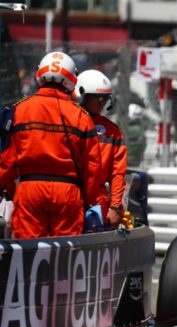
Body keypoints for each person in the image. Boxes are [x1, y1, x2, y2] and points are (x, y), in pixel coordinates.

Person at [0, 51, 104, 239]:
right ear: (72, 78)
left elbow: (6, 160)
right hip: (68, 194)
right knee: (65, 254)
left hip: (29, 190)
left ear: (40, 75)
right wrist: (90, 201)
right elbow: (92, 167)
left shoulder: (19, 110)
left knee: (29, 254)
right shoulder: (81, 116)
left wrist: (10, 190)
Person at [75, 69, 127, 227]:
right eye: (98, 97)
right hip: (70, 195)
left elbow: (118, 173)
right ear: (81, 95)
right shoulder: (67, 122)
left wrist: (116, 206)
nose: (102, 102)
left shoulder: (112, 131)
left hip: (98, 203)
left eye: (106, 97)